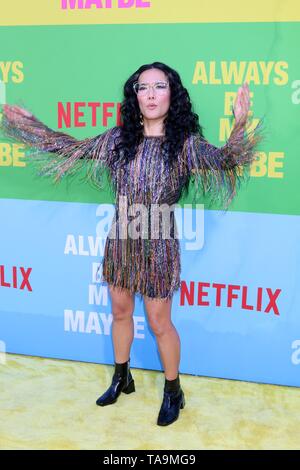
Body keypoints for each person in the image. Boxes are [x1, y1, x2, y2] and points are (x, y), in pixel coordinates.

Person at [0, 62, 264, 426]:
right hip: (121, 240)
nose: (152, 94)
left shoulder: (185, 146)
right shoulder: (118, 139)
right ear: (135, 95)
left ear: (173, 93)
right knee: (121, 311)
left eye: (160, 86)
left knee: (159, 322)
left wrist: (239, 122)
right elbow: (68, 146)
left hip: (159, 243)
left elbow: (227, 160)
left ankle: (174, 390)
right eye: (143, 87)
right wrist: (28, 123)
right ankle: (122, 377)